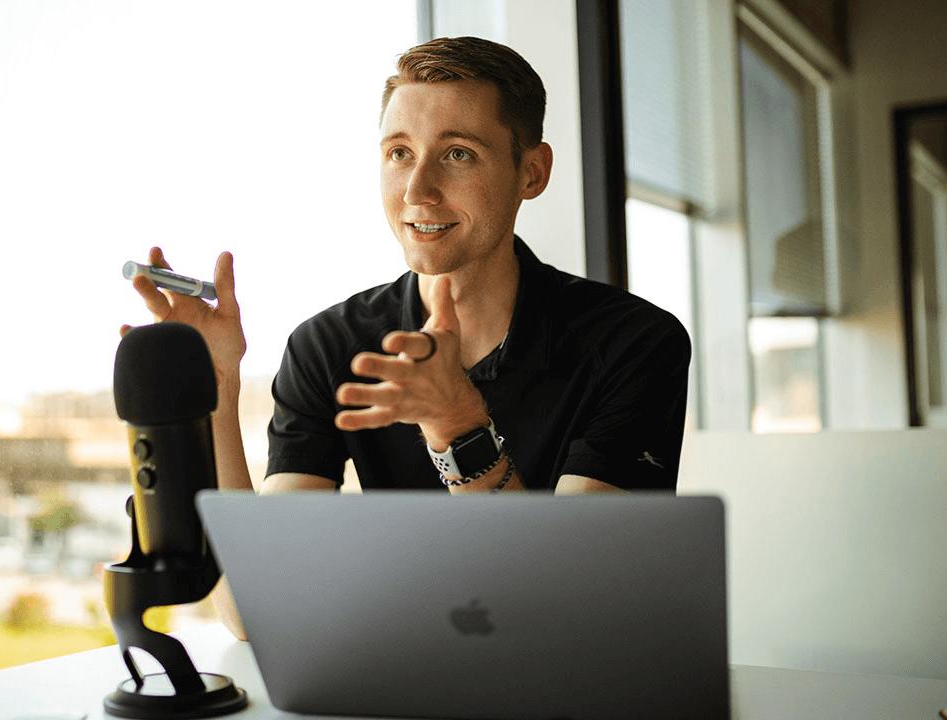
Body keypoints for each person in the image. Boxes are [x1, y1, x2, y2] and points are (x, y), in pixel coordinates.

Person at [123, 36, 690, 639]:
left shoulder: (636, 343)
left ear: (532, 171)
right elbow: (257, 610)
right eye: (399, 152)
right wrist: (214, 391)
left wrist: (458, 428)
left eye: (459, 154)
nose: (417, 190)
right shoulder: (328, 346)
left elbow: (563, 608)